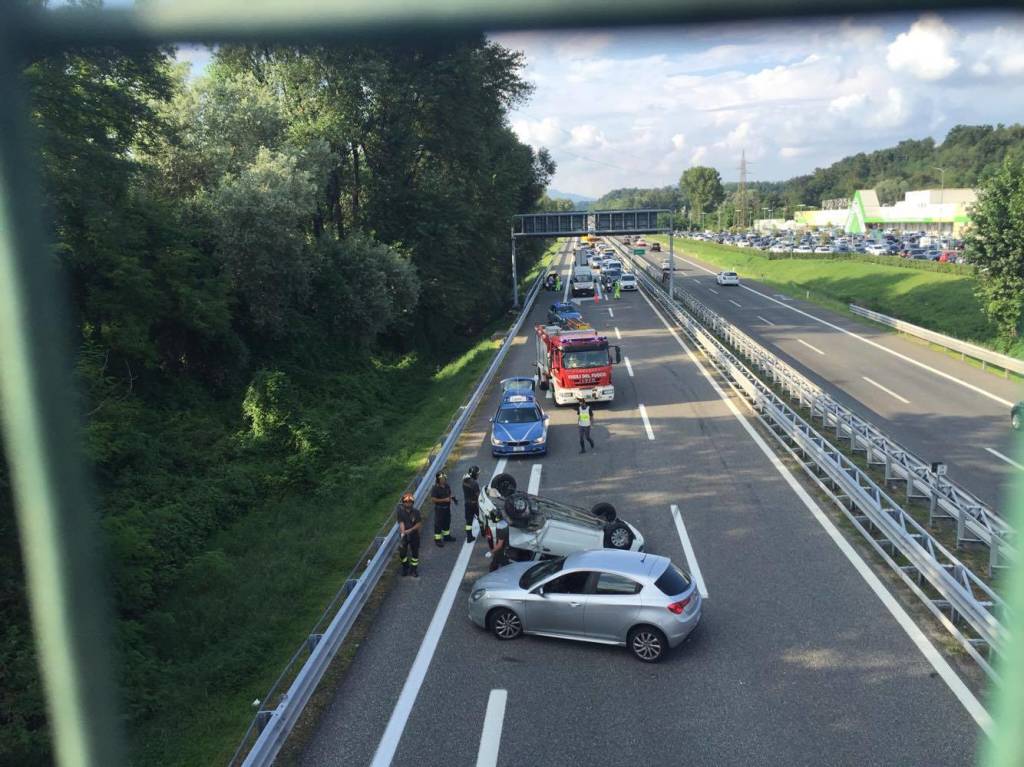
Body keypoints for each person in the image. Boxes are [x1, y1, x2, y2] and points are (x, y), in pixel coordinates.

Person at [395, 492, 422, 577]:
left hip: (414, 535)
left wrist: (410, 530)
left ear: (412, 502)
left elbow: (418, 524)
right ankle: (405, 567)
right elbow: (401, 522)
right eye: (406, 501)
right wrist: (403, 532)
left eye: (410, 501)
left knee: (415, 553)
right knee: (402, 553)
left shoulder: (416, 512)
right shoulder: (400, 512)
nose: (408, 503)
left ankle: (413, 569)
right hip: (404, 535)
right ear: (403, 502)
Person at [431, 471, 457, 547]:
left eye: (444, 478)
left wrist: (452, 498)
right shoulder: (435, 488)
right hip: (439, 509)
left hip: (447, 508)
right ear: (438, 479)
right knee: (438, 524)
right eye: (442, 478)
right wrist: (444, 500)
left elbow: (448, 494)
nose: (443, 479)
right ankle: (437, 539)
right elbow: (433, 499)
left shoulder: (447, 486)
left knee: (447, 522)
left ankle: (447, 536)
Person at [462, 465, 481, 543]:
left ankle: (469, 537)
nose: (478, 475)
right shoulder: (474, 484)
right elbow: (478, 495)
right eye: (477, 474)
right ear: (474, 474)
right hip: (474, 504)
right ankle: (484, 532)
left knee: (468, 522)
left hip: (467, 504)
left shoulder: (464, 481)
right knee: (481, 518)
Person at [488, 507, 510, 572]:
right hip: (504, 548)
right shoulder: (505, 522)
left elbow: (500, 545)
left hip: (502, 550)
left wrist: (491, 552)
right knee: (496, 561)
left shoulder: (501, 527)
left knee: (500, 562)